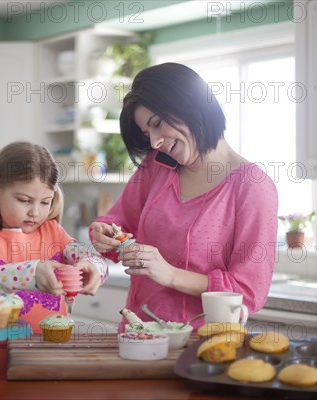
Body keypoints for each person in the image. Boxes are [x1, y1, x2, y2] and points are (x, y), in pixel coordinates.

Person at [89, 63, 278, 330]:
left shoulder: (252, 187)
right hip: (137, 335)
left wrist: (170, 275)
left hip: (203, 345)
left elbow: (249, 291)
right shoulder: (156, 166)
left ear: (191, 105)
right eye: (147, 134)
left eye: (157, 124)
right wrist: (104, 233)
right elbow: (119, 224)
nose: (154, 142)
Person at [0, 141, 108, 332]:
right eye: (24, 200)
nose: (35, 212)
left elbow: (93, 259)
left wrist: (95, 268)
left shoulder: (53, 232)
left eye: (45, 202)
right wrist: (31, 273)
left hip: (48, 352)